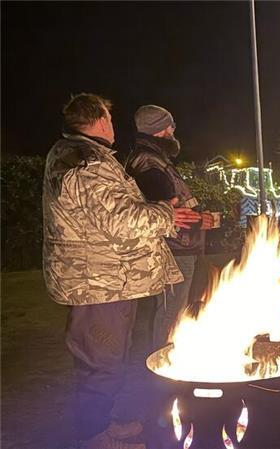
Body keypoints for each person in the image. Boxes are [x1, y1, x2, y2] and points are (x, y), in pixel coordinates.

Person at [42, 94, 199, 449]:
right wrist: (166, 214)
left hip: (103, 280)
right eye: (110, 120)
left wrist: (160, 211)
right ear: (99, 119)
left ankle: (101, 426)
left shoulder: (76, 155)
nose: (114, 127)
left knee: (106, 360)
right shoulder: (87, 164)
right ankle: (94, 438)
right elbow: (120, 220)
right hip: (98, 283)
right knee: (101, 364)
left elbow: (111, 212)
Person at [125, 105, 220, 350]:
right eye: (171, 125)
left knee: (176, 309)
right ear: (160, 129)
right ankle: (165, 367)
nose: (174, 130)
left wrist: (200, 219)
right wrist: (199, 221)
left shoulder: (155, 158)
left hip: (180, 248)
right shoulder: (148, 162)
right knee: (171, 312)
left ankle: (172, 358)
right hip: (173, 251)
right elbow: (166, 209)